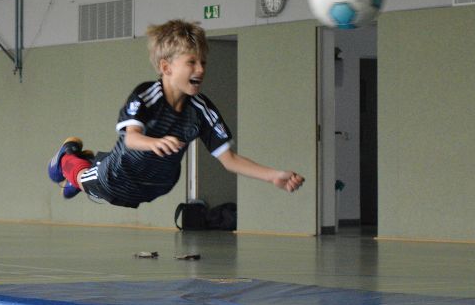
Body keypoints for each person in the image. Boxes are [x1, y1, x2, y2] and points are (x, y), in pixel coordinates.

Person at [47, 19, 305, 208]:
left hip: (154, 187)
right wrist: (155, 142)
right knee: (85, 179)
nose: (201, 69)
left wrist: (273, 176)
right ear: (166, 67)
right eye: (191, 62)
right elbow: (132, 139)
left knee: (91, 188)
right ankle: (66, 160)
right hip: (116, 176)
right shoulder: (147, 95)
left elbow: (230, 160)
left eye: (203, 62)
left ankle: (77, 180)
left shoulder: (202, 110)